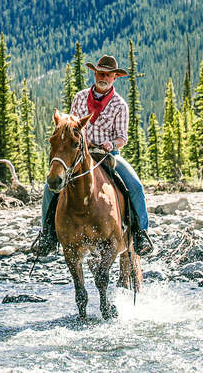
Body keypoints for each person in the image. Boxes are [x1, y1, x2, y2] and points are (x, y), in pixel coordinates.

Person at [36, 54, 153, 257]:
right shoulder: (80, 97)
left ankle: (141, 233)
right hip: (80, 153)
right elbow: (72, 127)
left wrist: (111, 144)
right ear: (95, 73)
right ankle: (47, 234)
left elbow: (122, 137)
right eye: (100, 73)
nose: (104, 77)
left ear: (115, 77)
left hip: (108, 154)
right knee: (50, 187)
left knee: (135, 185)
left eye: (108, 75)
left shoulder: (120, 105)